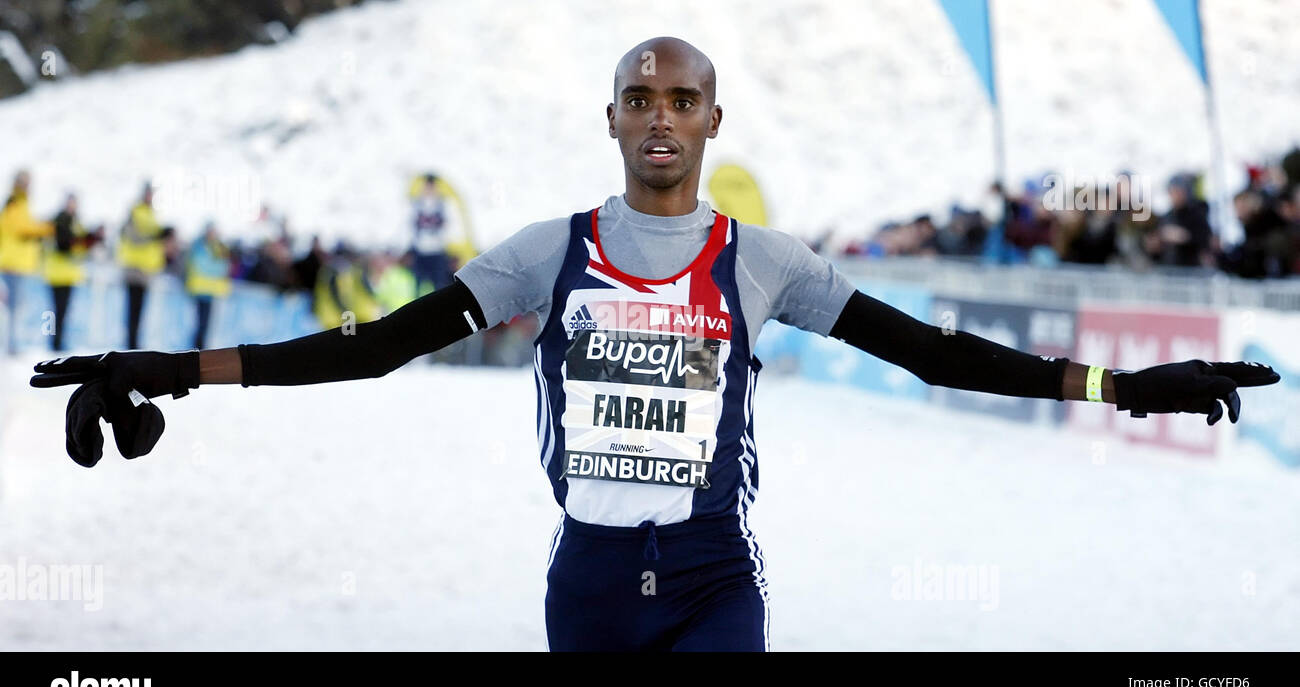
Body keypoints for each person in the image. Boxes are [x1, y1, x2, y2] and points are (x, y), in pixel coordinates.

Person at [29, 38, 1281, 652]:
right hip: (587, 578)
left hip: (709, 577)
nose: (662, 117)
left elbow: (937, 354)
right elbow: (374, 346)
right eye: (642, 97)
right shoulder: (545, 248)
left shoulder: (763, 260)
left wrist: (1127, 384)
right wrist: (168, 369)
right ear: (614, 117)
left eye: (684, 99)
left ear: (710, 119)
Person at [0, 170, 55, 354]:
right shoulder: (14, 204)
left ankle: (13, 344)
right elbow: (23, 229)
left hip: (20, 265)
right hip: (12, 265)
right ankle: (11, 346)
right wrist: (46, 228)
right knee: (14, 309)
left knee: (17, 307)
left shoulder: (21, 204)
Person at [47, 193, 103, 352]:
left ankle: (58, 342)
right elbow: (65, 244)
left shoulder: (76, 222)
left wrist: (89, 239)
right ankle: (54, 343)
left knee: (63, 311)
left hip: (69, 274)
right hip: (57, 273)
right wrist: (84, 240)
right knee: (55, 310)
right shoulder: (61, 221)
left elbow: (80, 242)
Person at [117, 183, 167, 349]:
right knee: (133, 310)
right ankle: (130, 344)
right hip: (134, 269)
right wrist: (156, 236)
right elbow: (134, 237)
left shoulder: (151, 214)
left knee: (139, 312)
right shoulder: (135, 212)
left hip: (146, 272)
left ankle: (134, 344)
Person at [185, 223, 232, 350]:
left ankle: (199, 351)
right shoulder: (200, 247)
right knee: (199, 324)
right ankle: (196, 351)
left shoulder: (215, 247)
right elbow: (210, 267)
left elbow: (223, 267)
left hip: (209, 291)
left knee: (205, 325)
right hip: (200, 290)